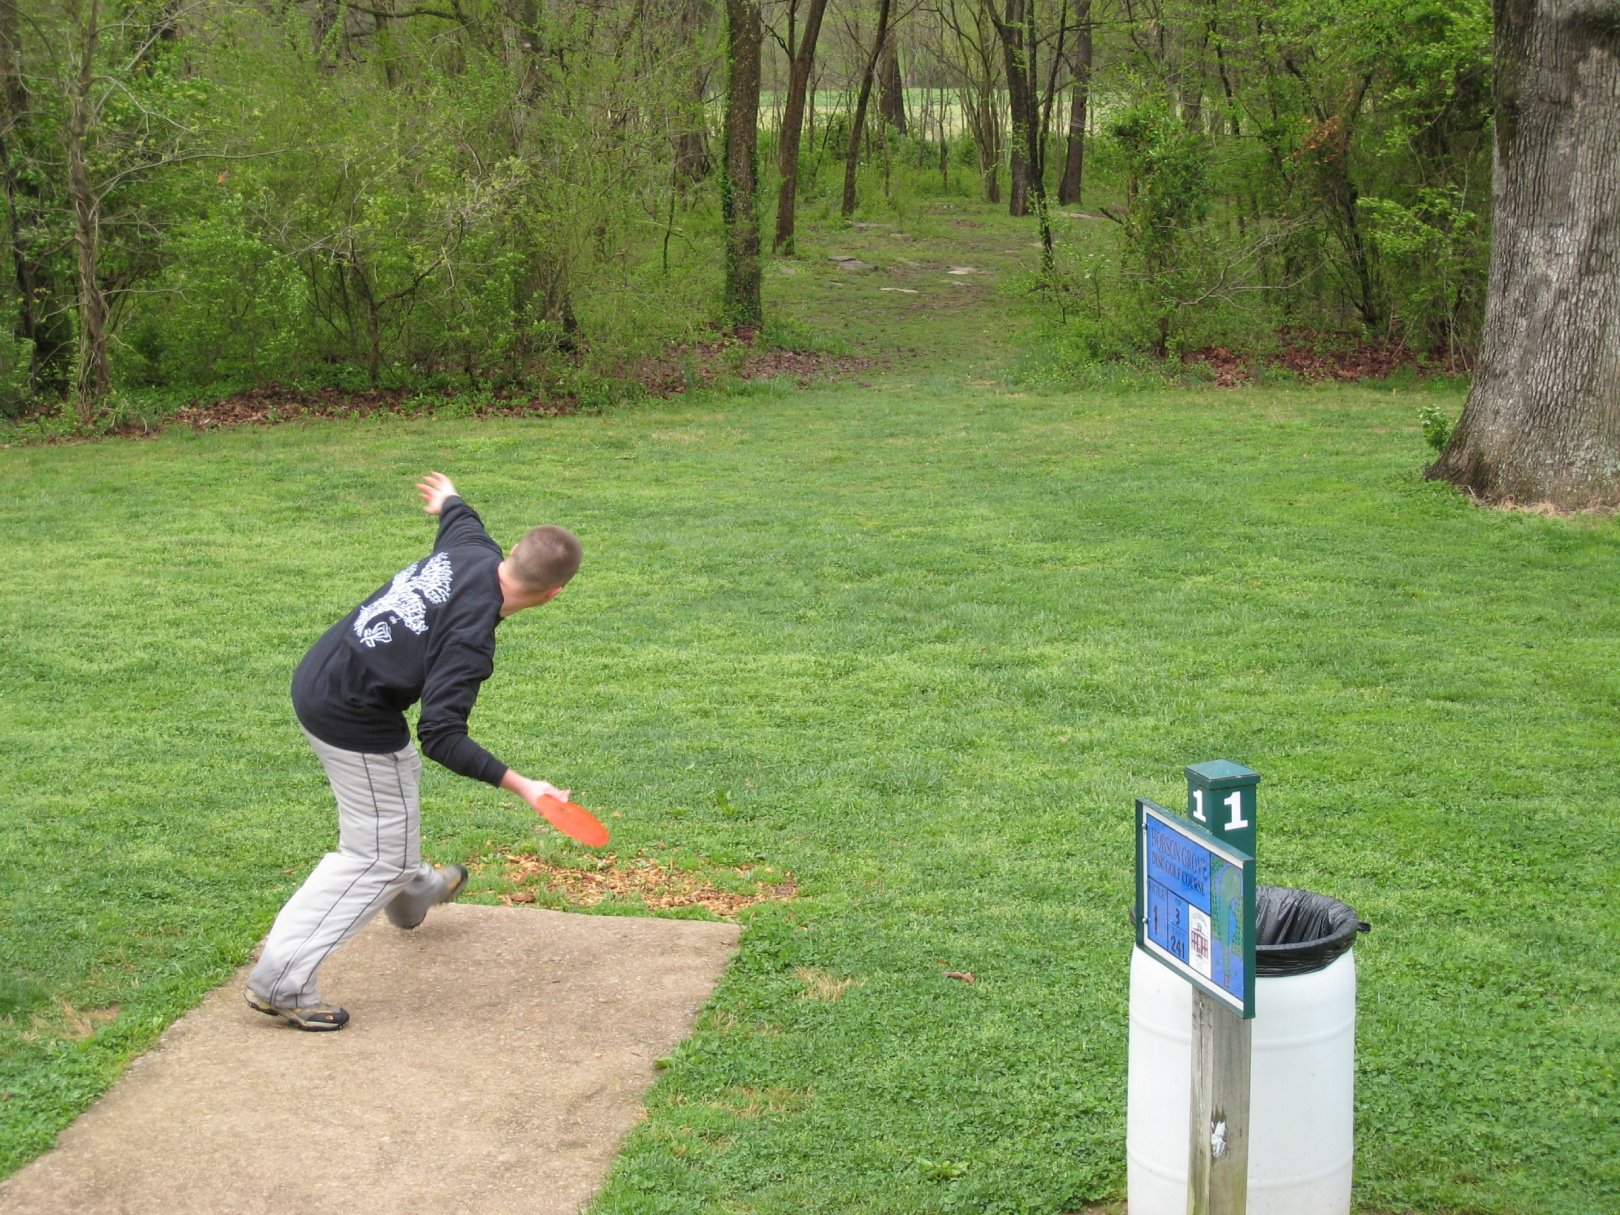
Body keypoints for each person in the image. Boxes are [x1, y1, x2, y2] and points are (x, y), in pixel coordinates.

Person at [246, 471, 581, 1031]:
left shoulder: (474, 549)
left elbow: (461, 518)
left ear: (513, 552)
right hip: (349, 713)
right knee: (375, 855)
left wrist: (447, 497)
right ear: (554, 595)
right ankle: (280, 983)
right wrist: (525, 786)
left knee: (392, 806)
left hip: (326, 672)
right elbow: (442, 736)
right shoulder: (470, 640)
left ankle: (415, 891)